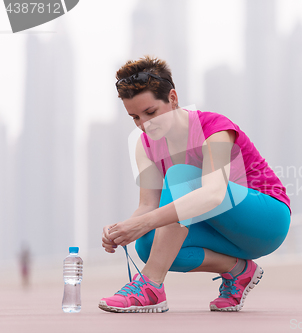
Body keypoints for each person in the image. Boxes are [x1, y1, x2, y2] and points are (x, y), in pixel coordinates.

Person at [99, 56, 291, 313]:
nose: (144, 125)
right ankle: (238, 270)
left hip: (266, 219)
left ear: (173, 98)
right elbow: (147, 205)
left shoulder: (214, 128)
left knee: (179, 176)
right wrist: (123, 229)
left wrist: (144, 222)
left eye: (150, 112)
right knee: (146, 245)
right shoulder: (144, 146)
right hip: (222, 230)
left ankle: (150, 286)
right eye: (135, 117)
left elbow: (213, 194)